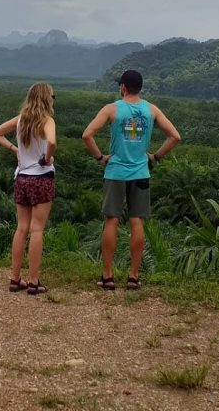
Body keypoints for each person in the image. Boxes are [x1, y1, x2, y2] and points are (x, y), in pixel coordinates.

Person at [82, 70, 180, 290]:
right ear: (140, 88)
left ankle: (107, 276)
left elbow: (86, 135)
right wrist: (155, 157)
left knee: (111, 221)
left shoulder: (112, 109)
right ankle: (134, 276)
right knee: (137, 222)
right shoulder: (151, 110)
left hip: (115, 172)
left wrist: (100, 158)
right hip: (141, 173)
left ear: (123, 87)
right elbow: (175, 136)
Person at [0, 82, 57, 295]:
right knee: (37, 229)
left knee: (21, 228)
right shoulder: (47, 120)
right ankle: (34, 280)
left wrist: (15, 150)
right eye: (53, 96)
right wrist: (47, 158)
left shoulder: (21, 121)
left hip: (22, 179)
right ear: (47, 98)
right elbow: (52, 142)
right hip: (41, 178)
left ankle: (15, 278)